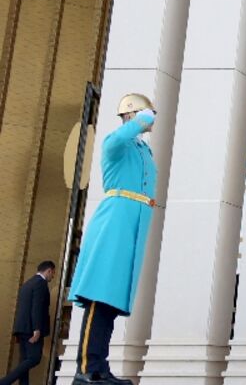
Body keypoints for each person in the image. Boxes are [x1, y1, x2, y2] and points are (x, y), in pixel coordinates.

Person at [67, 94, 157, 385]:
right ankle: (86, 369)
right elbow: (119, 138)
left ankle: (99, 366)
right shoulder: (116, 143)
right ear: (134, 115)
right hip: (114, 221)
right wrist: (143, 118)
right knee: (100, 294)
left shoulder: (143, 150)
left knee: (111, 301)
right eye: (145, 115)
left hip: (132, 223)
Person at [0, 261, 54, 385]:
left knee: (24, 361)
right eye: (53, 273)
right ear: (49, 270)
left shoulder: (27, 284)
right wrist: (36, 329)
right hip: (31, 329)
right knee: (34, 358)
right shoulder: (41, 283)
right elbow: (37, 307)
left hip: (22, 328)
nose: (53, 277)